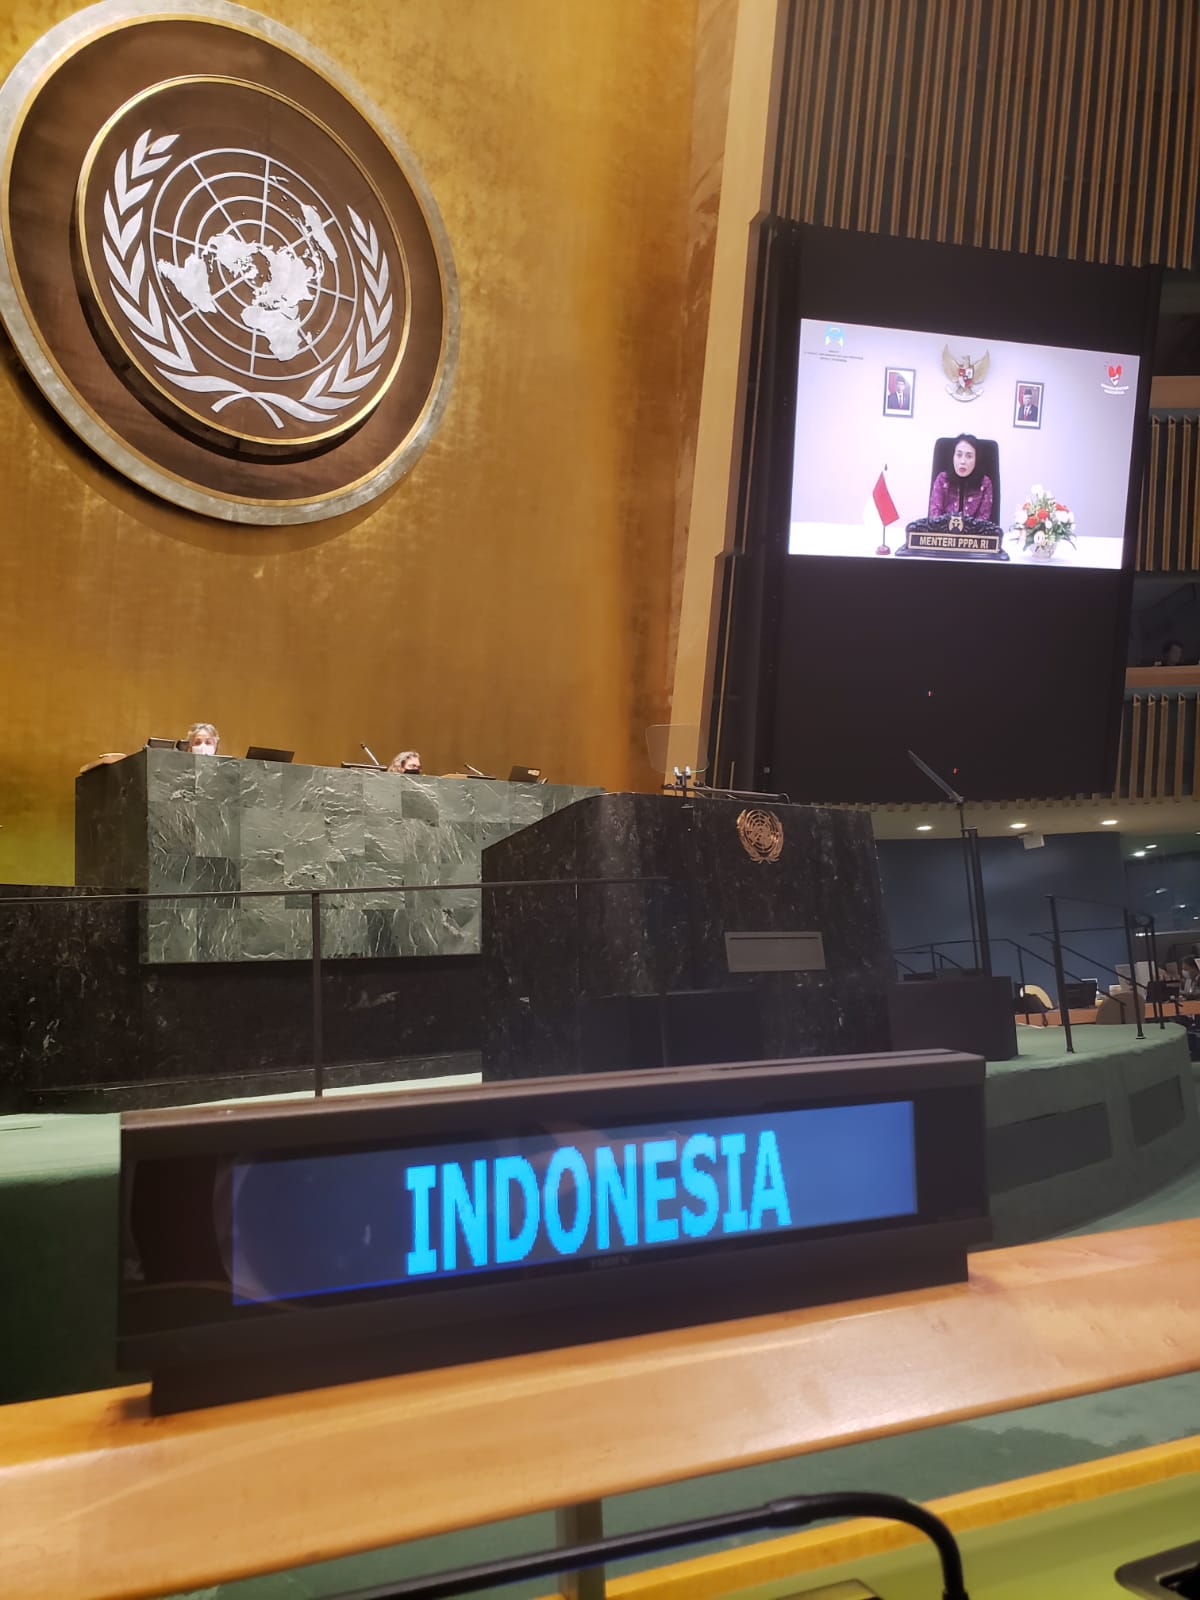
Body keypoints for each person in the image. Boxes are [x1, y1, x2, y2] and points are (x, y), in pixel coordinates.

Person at [928, 433, 993, 520]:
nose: (962, 461)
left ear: (976, 459)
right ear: (953, 456)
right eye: (959, 455)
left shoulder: (985, 483)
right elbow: (934, 517)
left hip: (973, 529)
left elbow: (983, 521)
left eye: (969, 456)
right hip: (943, 528)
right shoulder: (942, 480)